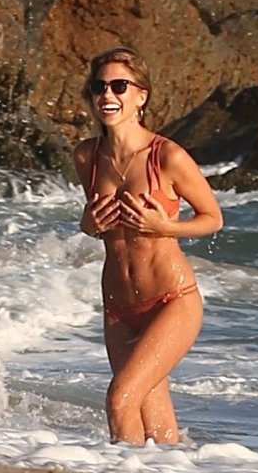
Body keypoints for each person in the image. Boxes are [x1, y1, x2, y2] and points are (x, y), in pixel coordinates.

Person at [73, 46, 223, 446]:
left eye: (119, 86)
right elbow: (99, 227)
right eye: (99, 87)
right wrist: (87, 225)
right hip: (119, 309)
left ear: (141, 96)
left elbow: (213, 217)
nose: (108, 95)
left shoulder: (167, 156)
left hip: (171, 300)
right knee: (158, 431)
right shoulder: (87, 156)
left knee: (120, 399)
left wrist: (165, 226)